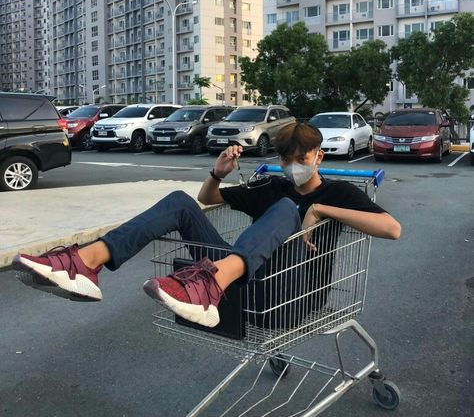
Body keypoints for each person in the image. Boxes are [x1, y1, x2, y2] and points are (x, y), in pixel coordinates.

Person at [13, 123, 401, 328]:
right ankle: (87, 262)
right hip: (242, 285)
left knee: (287, 207)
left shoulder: (339, 192)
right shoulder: (274, 184)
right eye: (286, 159)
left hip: (292, 297)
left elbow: (391, 228)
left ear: (319, 155)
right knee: (182, 202)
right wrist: (217, 173)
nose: (293, 166)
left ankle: (211, 283)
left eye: (301, 158)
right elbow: (208, 199)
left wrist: (322, 210)